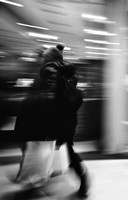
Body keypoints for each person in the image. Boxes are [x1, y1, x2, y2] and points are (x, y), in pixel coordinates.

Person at [16, 45, 90, 197]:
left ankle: (83, 179)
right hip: (56, 121)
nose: (42, 61)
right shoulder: (57, 73)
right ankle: (35, 182)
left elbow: (68, 98)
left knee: (65, 153)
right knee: (44, 151)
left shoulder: (57, 74)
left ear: (49, 59)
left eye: (44, 58)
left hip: (61, 122)